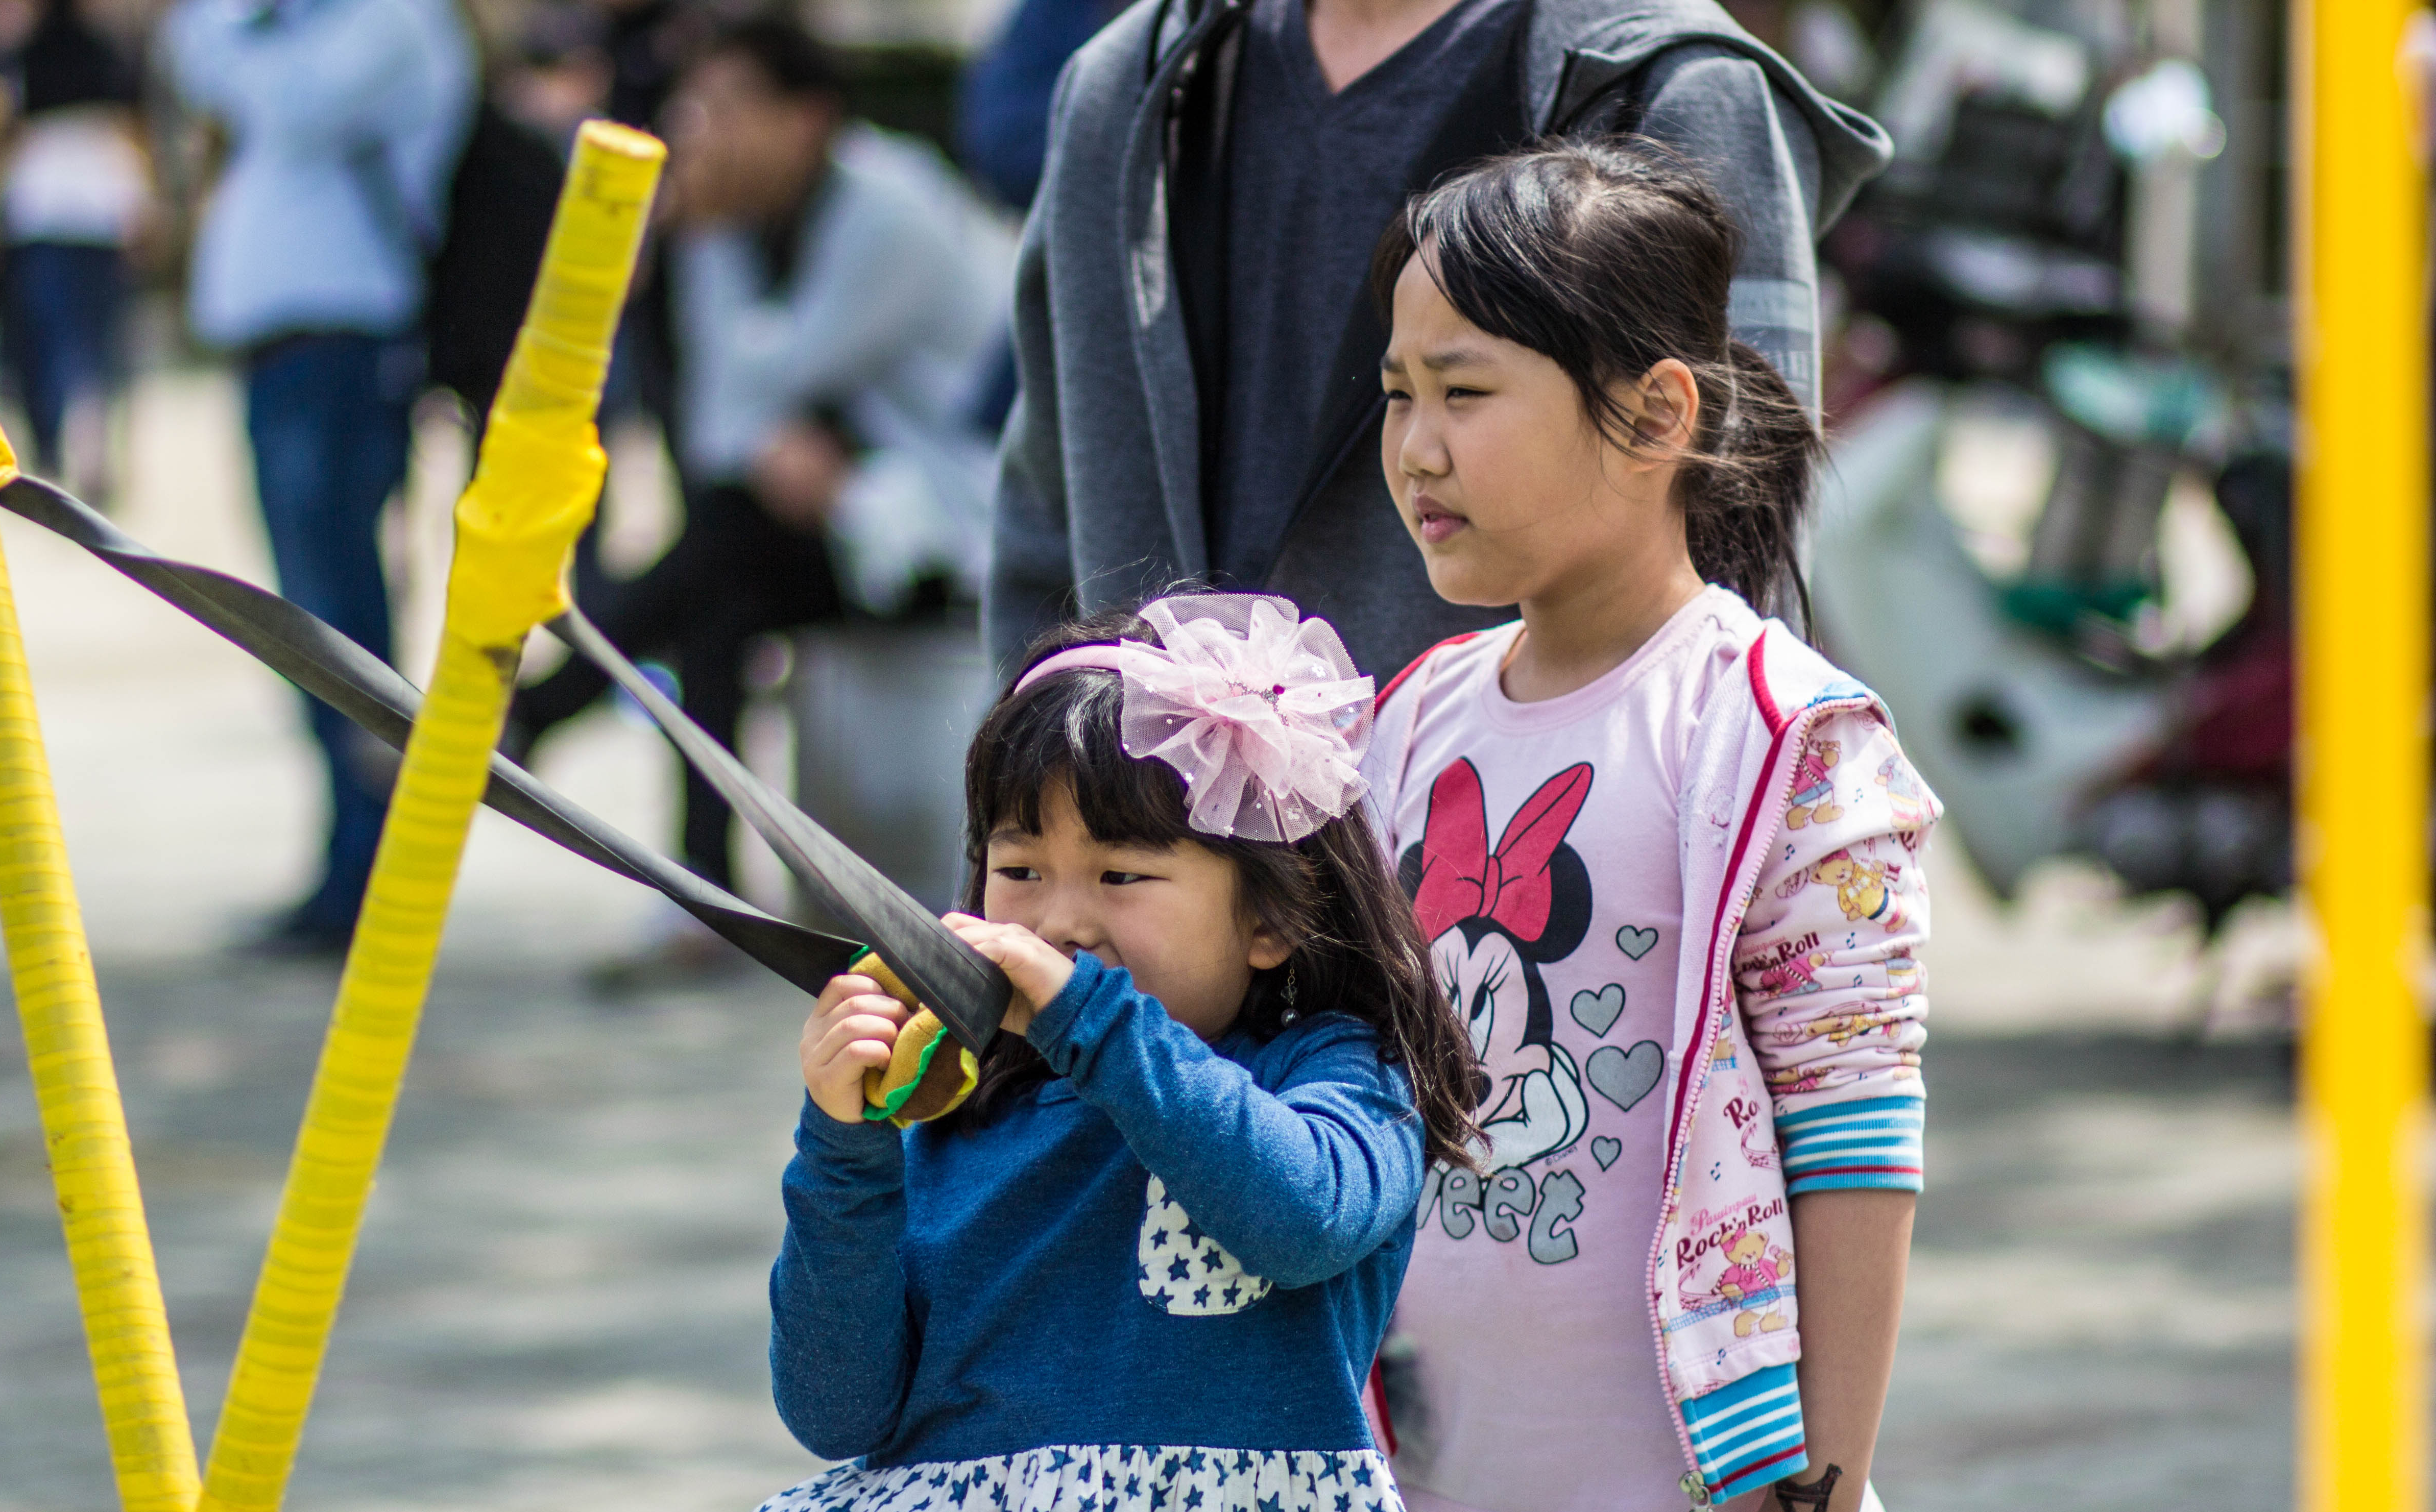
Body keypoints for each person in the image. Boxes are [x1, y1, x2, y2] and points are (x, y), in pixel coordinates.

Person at [402, 593, 1485, 1512]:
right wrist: (847, 1145)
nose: (1061, 921)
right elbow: (838, 1409)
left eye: (1122, 875)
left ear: (1271, 918)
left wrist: (1086, 1018)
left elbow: (1302, 1215)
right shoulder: (966, 1103)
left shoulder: (1330, 1074)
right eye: (1019, 869)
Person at [1358, 141, 1938, 1512]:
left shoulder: (1780, 736)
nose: (1416, 448)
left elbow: (1855, 1141)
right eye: (1398, 396)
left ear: (1656, 414)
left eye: (1466, 393)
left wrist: (1814, 1509)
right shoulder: (1411, 719)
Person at [984, 0, 1891, 687]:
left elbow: (1742, 588)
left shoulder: (1668, 86)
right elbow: (1042, 541)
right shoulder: (1126, 90)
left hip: (1516, 867)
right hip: (1143, 858)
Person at [503, 20, 1008, 973]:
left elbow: (762, 382)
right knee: (718, 592)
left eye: (729, 108)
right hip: (854, 524)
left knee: (724, 546)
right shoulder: (739, 226)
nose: (702, 131)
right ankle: (701, 887)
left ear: (806, 117)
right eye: (697, 108)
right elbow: (717, 427)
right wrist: (705, 247)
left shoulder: (889, 211)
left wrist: (698, 239)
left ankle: (541, 711)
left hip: (949, 533)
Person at [163, 0, 473, 955]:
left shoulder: (393, 22)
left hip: (341, 348)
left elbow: (274, 97)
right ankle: (350, 863)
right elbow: (199, 60)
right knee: (309, 613)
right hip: (290, 354)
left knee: (336, 619)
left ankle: (370, 875)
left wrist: (233, 31)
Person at [0, 0, 149, 500]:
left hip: (43, 214)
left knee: (53, 341)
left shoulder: (22, 55)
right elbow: (130, 131)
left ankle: (59, 449)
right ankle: (92, 448)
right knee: (96, 345)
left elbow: (6, 132)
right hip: (100, 212)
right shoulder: (110, 53)